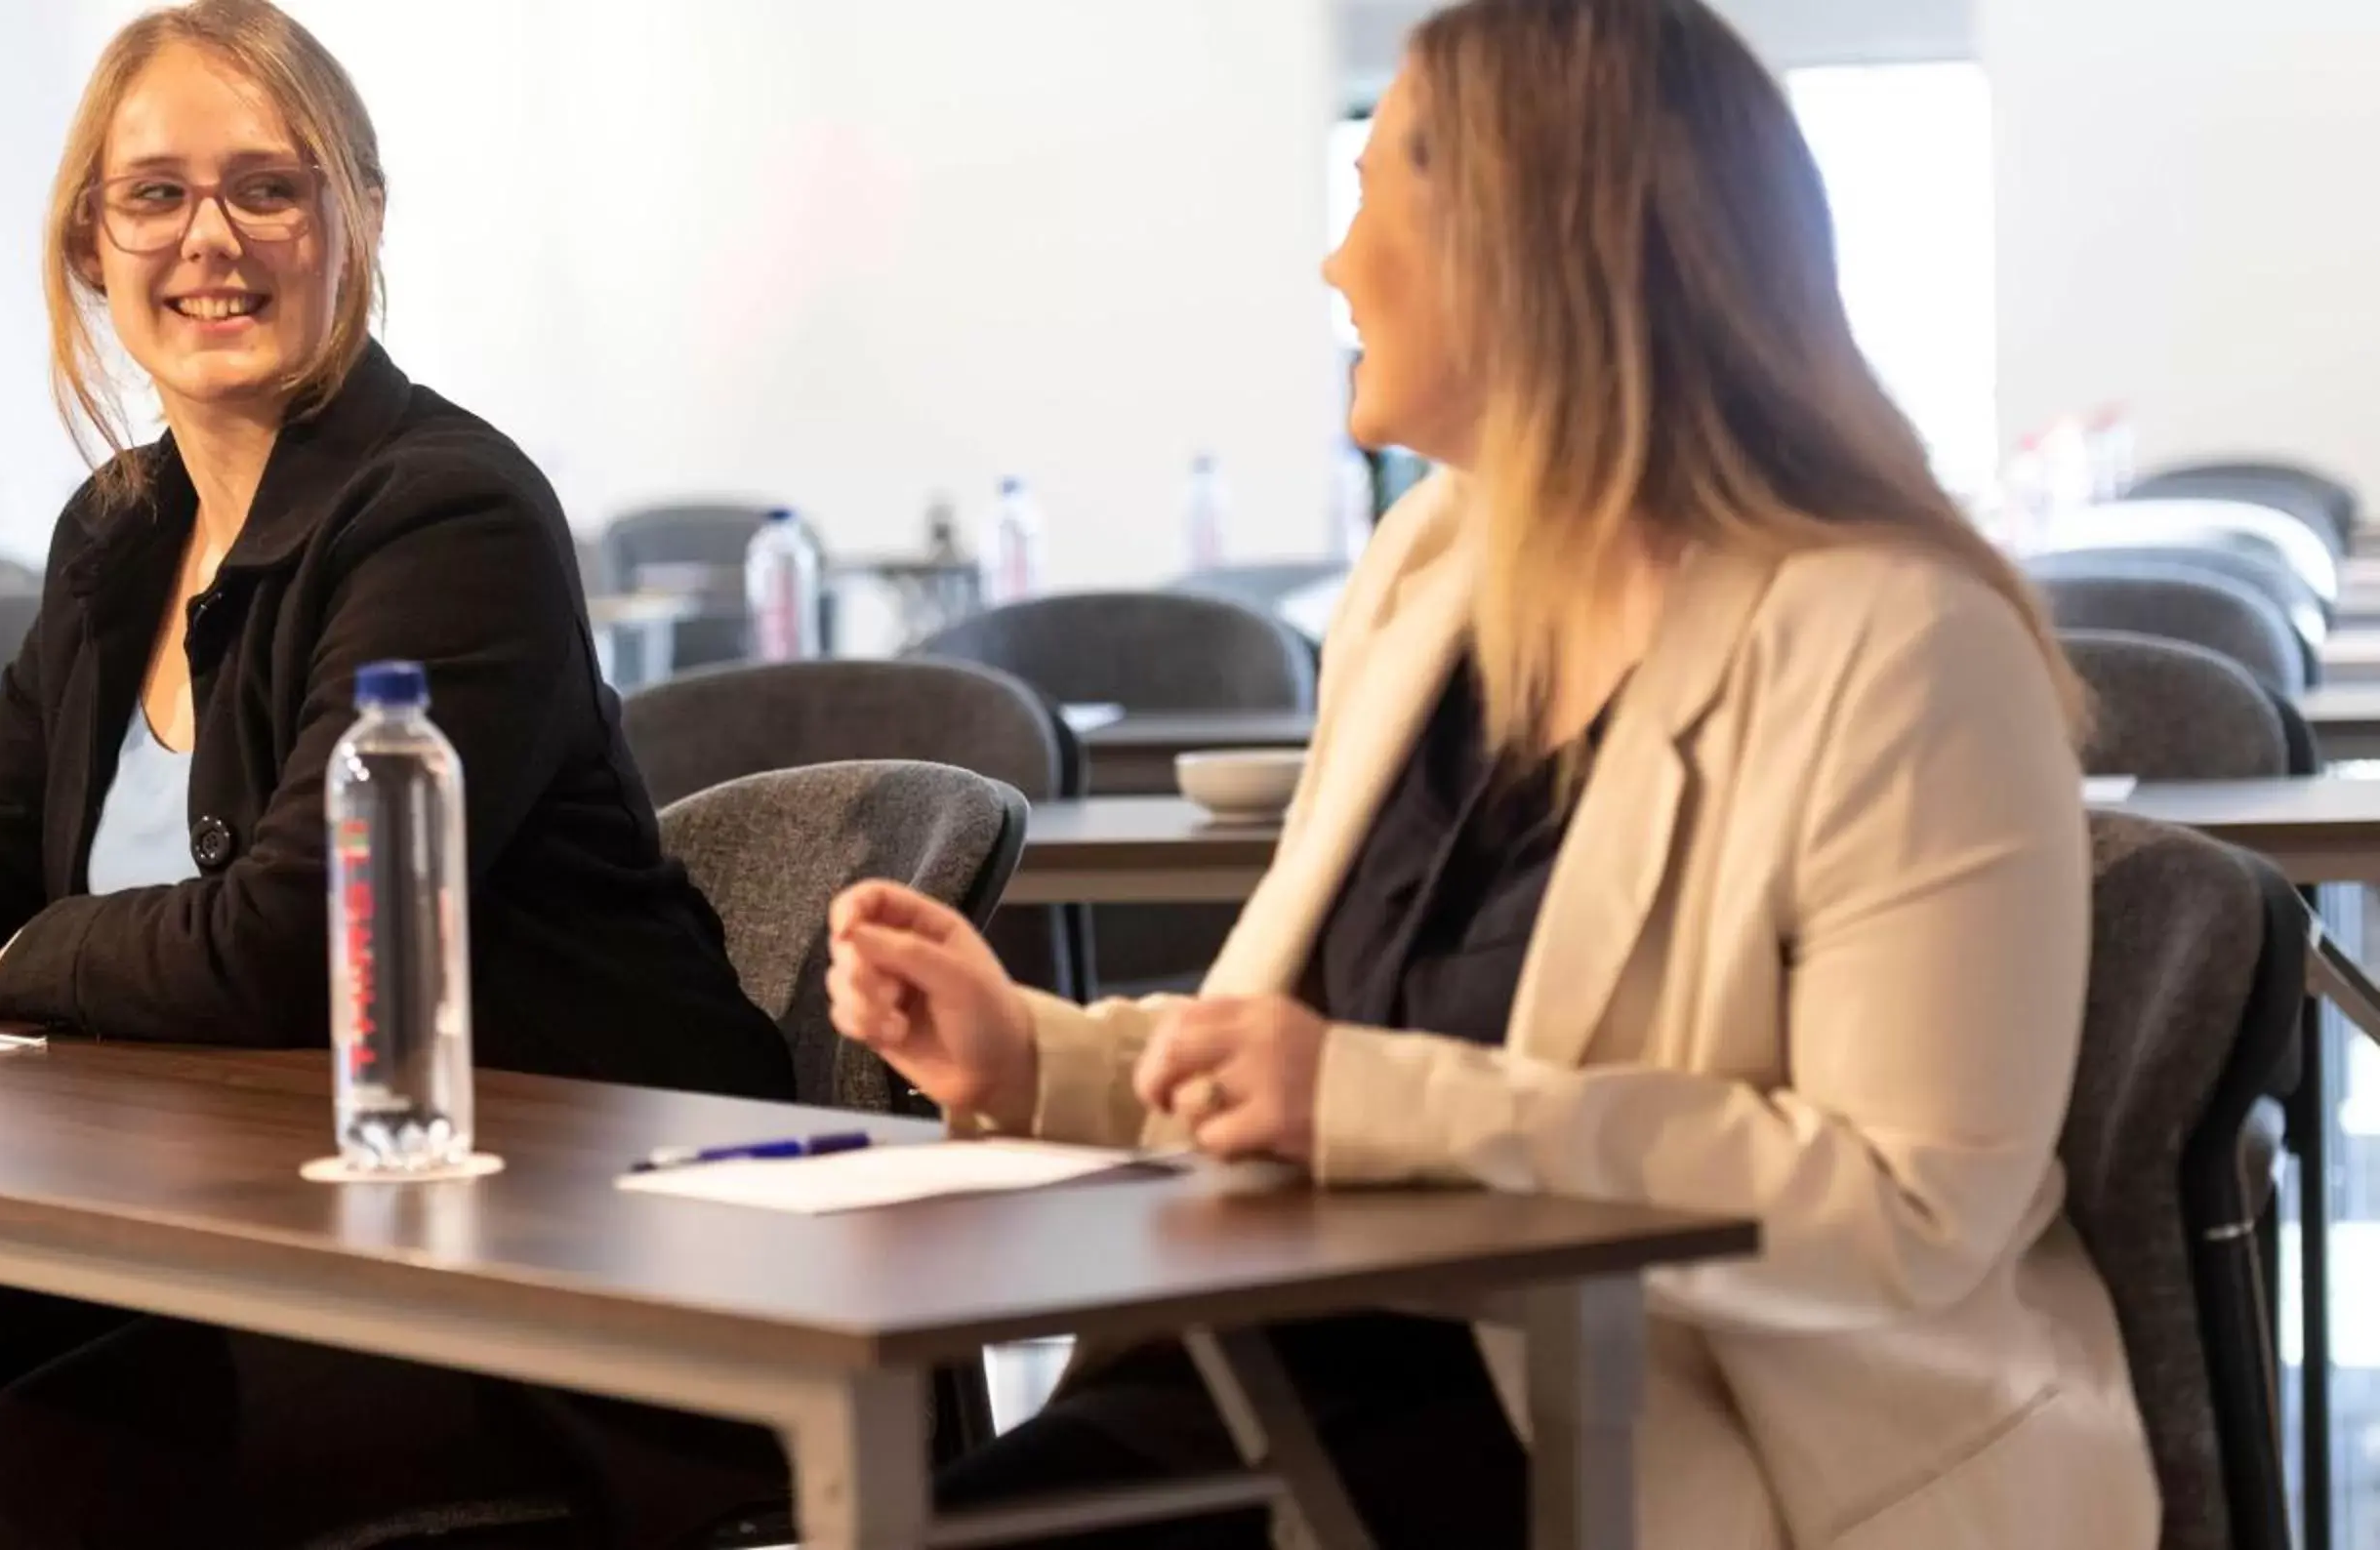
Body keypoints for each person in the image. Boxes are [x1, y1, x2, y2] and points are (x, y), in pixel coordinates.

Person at [800, 1, 2154, 1545]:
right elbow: (1320, 1049)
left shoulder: (1902, 645)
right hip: (1303, 1373)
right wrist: (1041, 1061)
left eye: (1373, 192)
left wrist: (1377, 1103)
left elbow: (1909, 1212)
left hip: (1678, 1441)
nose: (1335, 262)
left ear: (1528, 238)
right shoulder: (1428, 568)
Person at [0, 3, 793, 1545]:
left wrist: (17, 972)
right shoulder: (120, 525)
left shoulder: (449, 515)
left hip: (569, 1245)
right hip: (272, 1213)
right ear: (92, 245)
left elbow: (305, 938)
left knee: (31, 1492)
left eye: (267, 187)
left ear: (354, 220)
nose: (209, 239)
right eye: (154, 194)